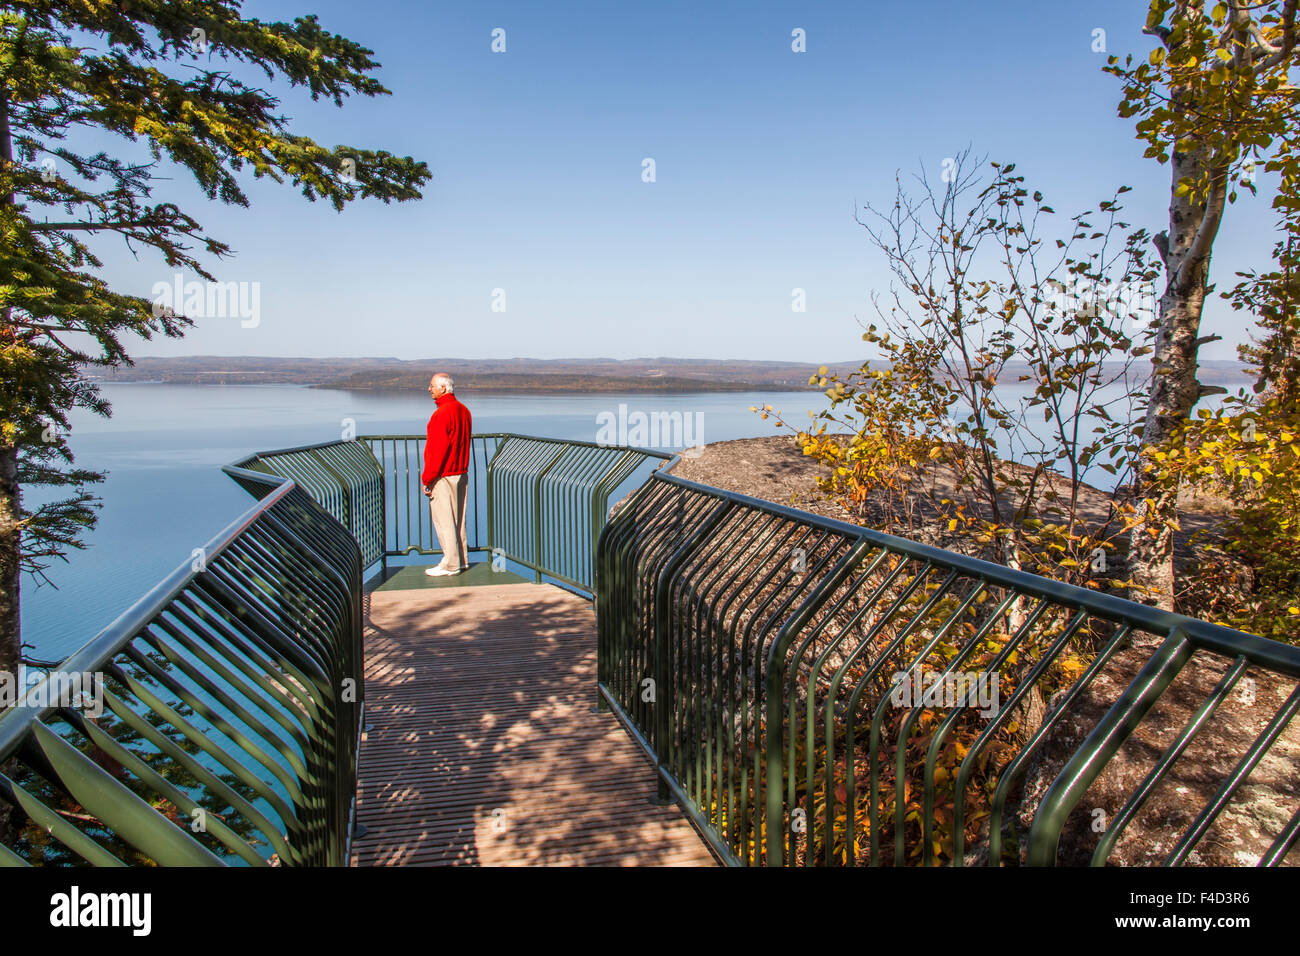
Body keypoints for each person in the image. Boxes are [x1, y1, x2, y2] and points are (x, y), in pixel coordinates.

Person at [421, 372, 472, 576]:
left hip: (443, 474)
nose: (429, 388)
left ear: (443, 388)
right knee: (458, 519)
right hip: (461, 473)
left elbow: (438, 450)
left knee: (444, 520)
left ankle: (450, 564)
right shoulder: (464, 411)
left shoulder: (442, 414)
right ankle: (461, 560)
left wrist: (428, 478)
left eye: (432, 385)